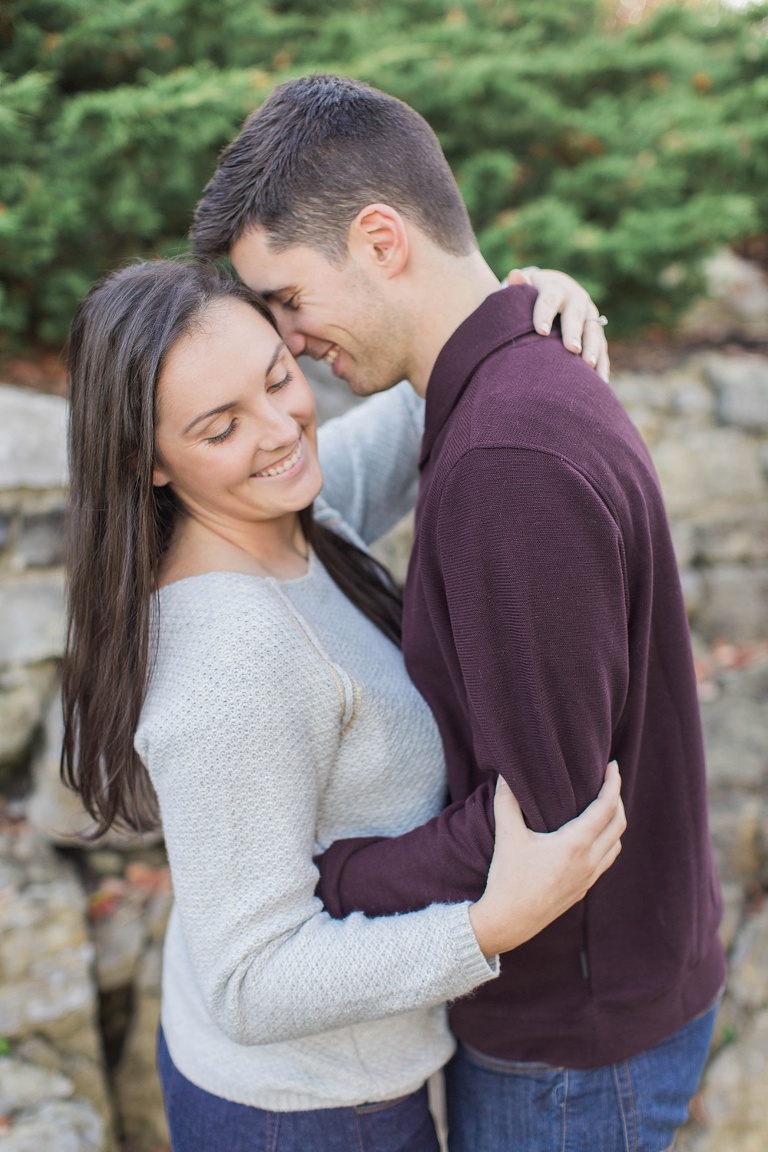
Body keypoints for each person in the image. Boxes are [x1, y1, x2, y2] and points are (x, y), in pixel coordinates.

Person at [191, 74, 726, 1152]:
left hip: (568, 1050)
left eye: (289, 300)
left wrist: (330, 877)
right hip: (595, 1010)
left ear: (382, 240)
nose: (288, 343)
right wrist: (527, 291)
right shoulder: (502, 387)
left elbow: (550, 818)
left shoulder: (506, 459)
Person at [61, 259, 625, 1152]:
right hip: (309, 1115)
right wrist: (488, 926)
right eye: (220, 427)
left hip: (341, 1086)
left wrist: (526, 303)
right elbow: (250, 980)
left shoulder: (286, 517)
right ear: (148, 462)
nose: (282, 427)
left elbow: (421, 395)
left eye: (280, 376)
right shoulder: (231, 661)